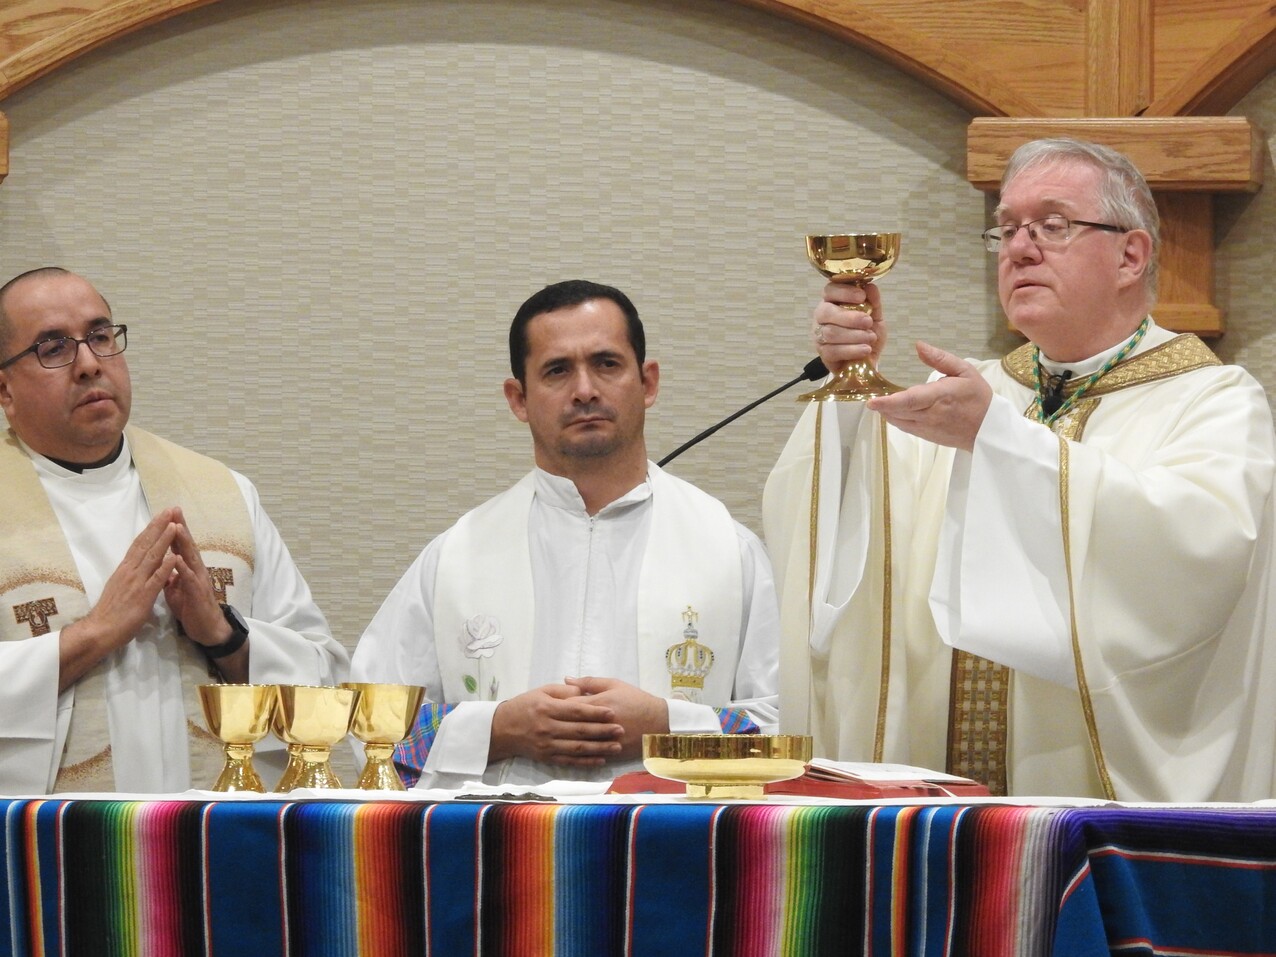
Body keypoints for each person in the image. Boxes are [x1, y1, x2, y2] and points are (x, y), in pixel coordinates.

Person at [763, 138, 1276, 802]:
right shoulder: (973, 394)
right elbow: (857, 553)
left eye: (1053, 225)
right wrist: (852, 403)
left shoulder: (1213, 400)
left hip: (1105, 824)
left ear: (1131, 254)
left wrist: (1000, 443)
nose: (1020, 247)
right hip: (948, 827)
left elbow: (1198, 553)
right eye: (1006, 228)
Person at [352, 279, 779, 788]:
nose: (585, 390)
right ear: (519, 399)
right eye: (557, 370)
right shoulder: (456, 557)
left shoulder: (730, 552)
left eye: (606, 363)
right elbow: (370, 727)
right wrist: (499, 728)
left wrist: (667, 727)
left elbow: (784, 729)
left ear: (648, 382)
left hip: (673, 847)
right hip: (502, 848)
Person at [0, 267, 348, 794]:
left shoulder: (222, 492)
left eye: (99, 336)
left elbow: (325, 681)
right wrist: (94, 635)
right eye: (53, 348)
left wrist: (224, 633)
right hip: (53, 848)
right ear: (4, 388)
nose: (90, 364)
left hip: (214, 844)